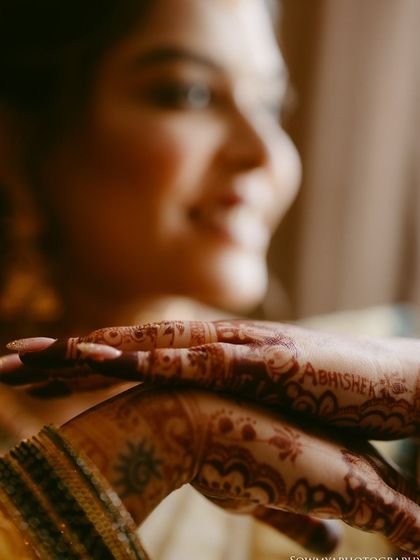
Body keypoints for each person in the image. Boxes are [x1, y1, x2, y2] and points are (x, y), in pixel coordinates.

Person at [0, 0, 418, 558]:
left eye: (272, 104)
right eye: (188, 93)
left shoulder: (359, 403)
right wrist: (98, 473)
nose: (269, 153)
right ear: (19, 134)